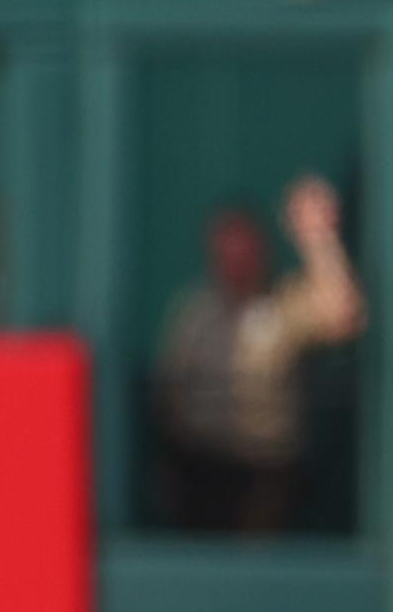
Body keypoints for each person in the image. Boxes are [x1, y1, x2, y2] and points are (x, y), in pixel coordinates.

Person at [152, 177, 367, 536]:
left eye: (243, 244)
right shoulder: (194, 315)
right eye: (225, 245)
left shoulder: (284, 306)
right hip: (199, 468)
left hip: (266, 473)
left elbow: (342, 315)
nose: (234, 256)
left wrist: (317, 239)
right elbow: (167, 395)